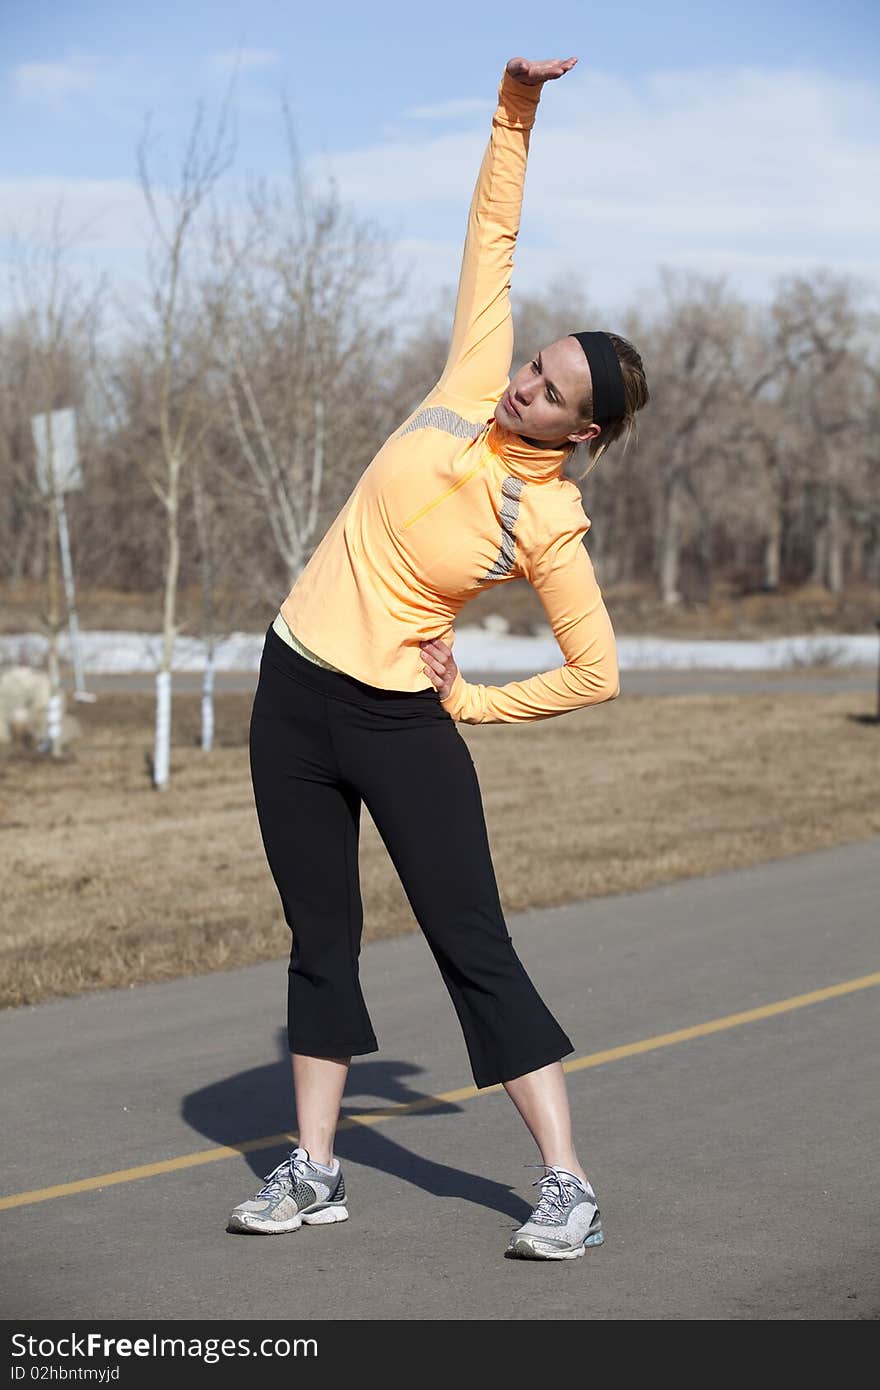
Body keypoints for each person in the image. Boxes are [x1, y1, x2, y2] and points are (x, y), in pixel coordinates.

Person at [228, 52, 650, 1260]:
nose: (524, 384)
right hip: (291, 689)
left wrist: (476, 708)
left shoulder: (550, 521)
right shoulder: (471, 375)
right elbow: (493, 232)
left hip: (402, 722)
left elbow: (596, 670)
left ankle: (566, 1184)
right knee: (320, 939)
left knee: (471, 940)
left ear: (587, 432)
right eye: (535, 363)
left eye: (551, 389)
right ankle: (313, 1169)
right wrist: (516, 107)